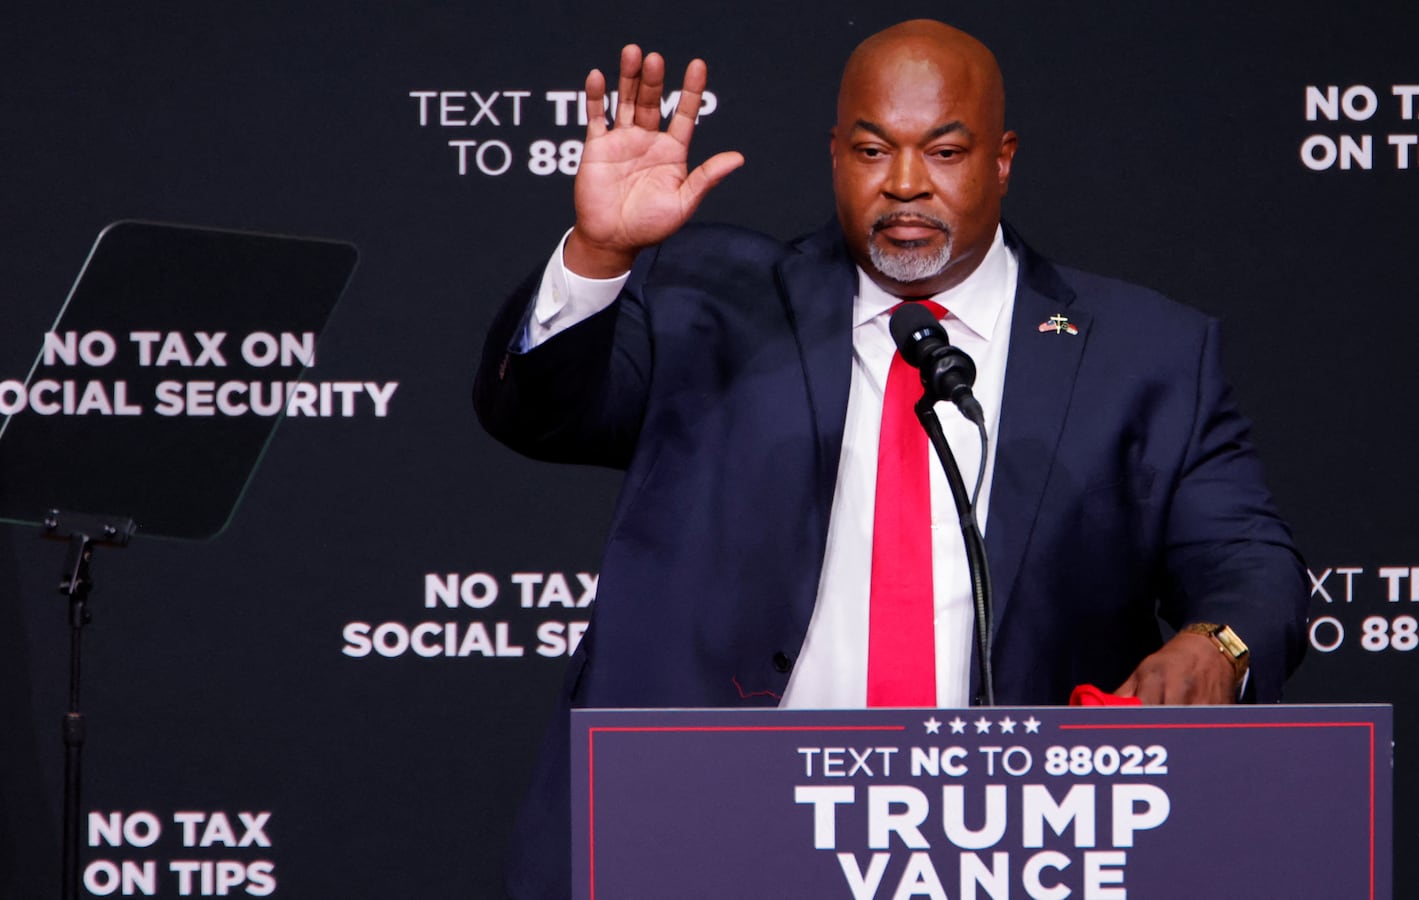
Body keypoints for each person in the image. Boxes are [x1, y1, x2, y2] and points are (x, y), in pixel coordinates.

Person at [475, 19, 1308, 898]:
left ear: (1001, 160)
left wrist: (1220, 645)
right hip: (710, 835)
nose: (905, 183)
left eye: (944, 152)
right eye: (873, 150)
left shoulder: (1143, 354)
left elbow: (1248, 561)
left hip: (1002, 847)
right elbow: (538, 417)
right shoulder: (711, 300)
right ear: (835, 155)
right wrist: (601, 256)